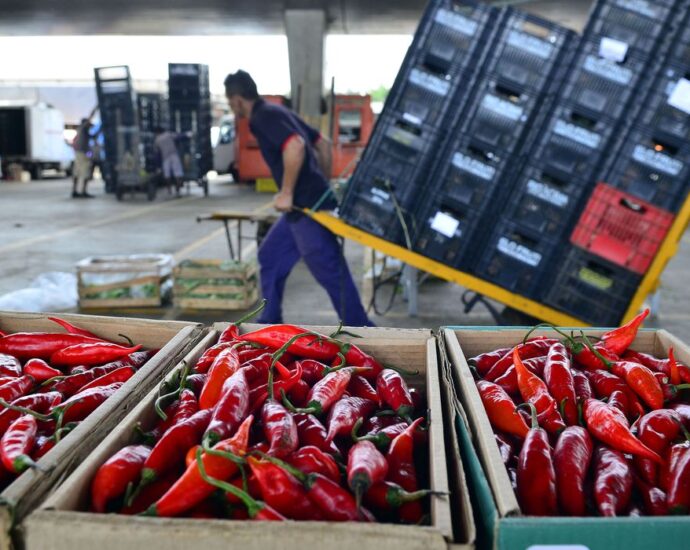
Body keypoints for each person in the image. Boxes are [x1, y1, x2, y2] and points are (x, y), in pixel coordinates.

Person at [224, 69, 373, 326]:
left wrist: (287, 191)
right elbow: (323, 144)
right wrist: (321, 183)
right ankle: (270, 320)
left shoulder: (263, 116)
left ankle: (362, 329)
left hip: (306, 208)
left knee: (329, 270)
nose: (231, 107)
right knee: (270, 255)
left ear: (237, 99)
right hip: (303, 207)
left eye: (229, 102)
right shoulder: (278, 111)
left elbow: (295, 145)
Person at [154, 127, 184, 195]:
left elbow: (157, 155)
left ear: (157, 132)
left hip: (166, 158)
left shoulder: (157, 140)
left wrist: (158, 166)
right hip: (174, 155)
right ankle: (178, 190)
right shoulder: (168, 134)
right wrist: (187, 134)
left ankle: (169, 190)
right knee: (178, 173)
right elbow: (178, 137)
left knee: (167, 175)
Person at [72, 118, 96, 198]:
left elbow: (93, 137)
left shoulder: (83, 132)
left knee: (77, 172)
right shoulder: (83, 129)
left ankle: (75, 191)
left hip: (80, 154)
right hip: (83, 154)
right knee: (86, 172)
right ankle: (83, 191)